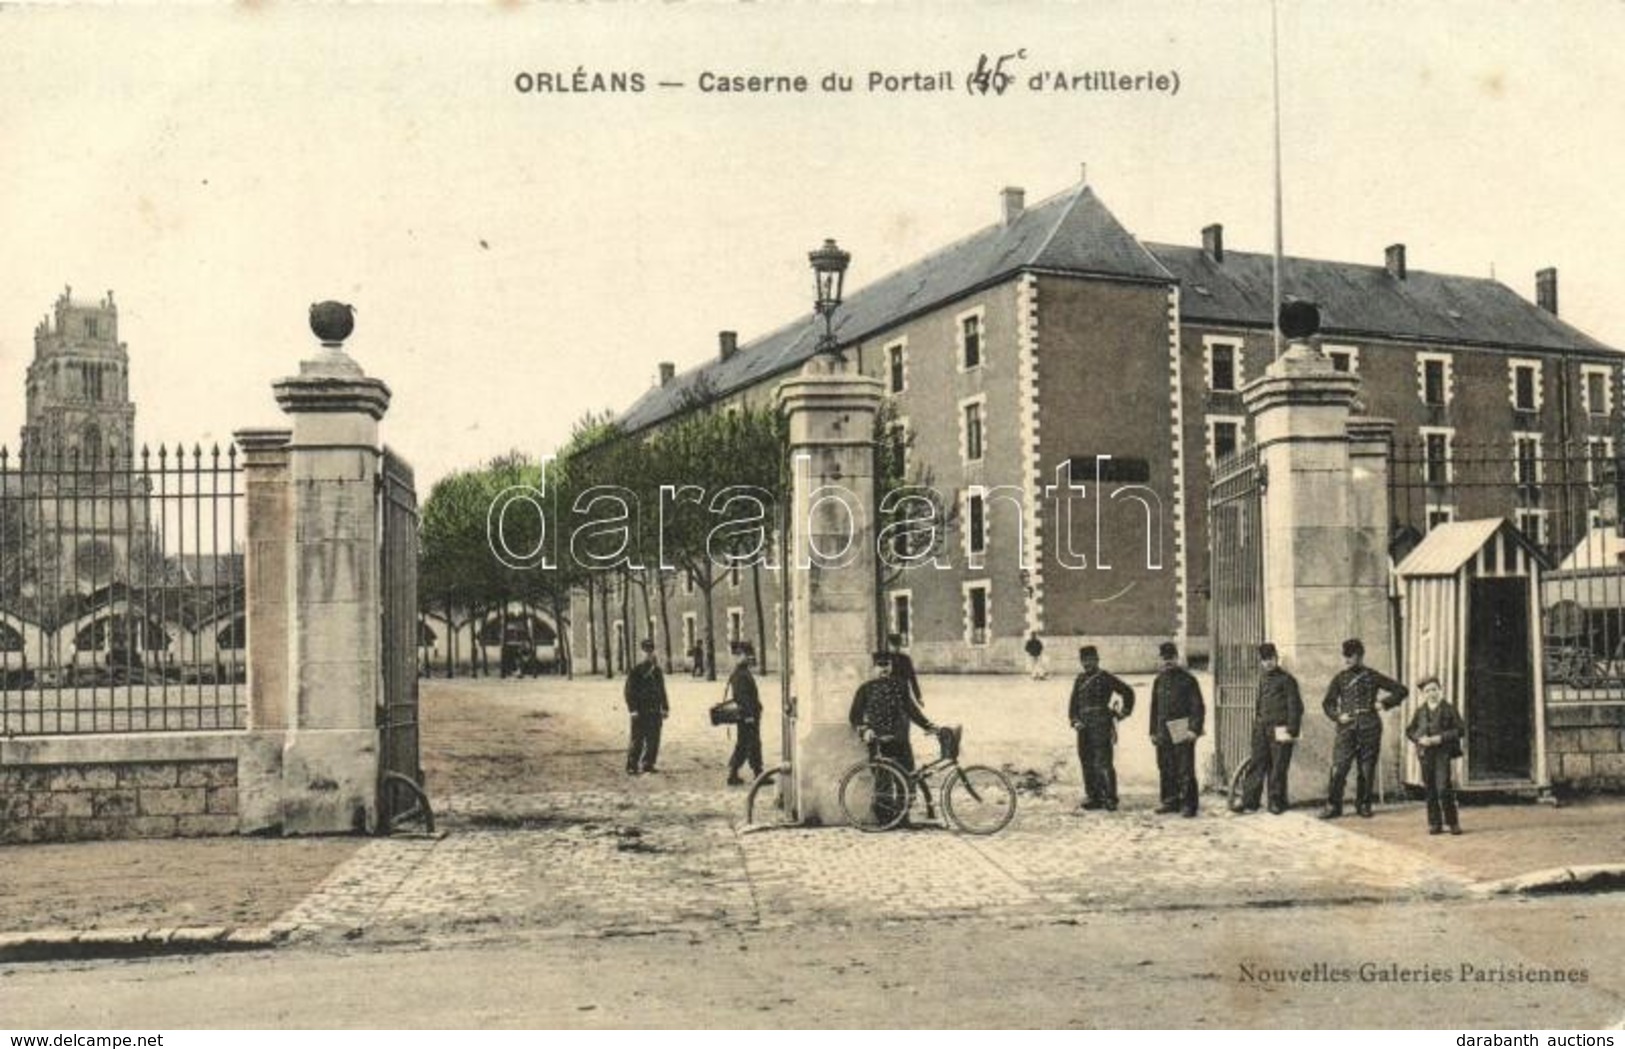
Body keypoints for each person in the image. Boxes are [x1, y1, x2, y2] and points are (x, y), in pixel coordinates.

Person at [1320, 638, 1408, 819]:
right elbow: (1328, 703)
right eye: (1345, 656)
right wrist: (1338, 716)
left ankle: (1364, 804)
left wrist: (1383, 703)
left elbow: (1401, 690)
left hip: (1370, 726)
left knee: (1366, 769)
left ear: (1360, 656)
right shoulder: (1340, 678)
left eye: (1350, 656)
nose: (1346, 660)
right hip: (1346, 728)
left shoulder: (1372, 675)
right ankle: (1333, 806)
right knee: (1339, 768)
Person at [1237, 642, 1303, 815]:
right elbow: (1259, 704)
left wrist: (1292, 729)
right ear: (1261, 661)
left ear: (1276, 658)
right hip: (1261, 729)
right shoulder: (1262, 678)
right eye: (1265, 660)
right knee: (1256, 764)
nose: (1268, 663)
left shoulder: (1287, 680)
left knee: (1278, 767)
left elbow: (1295, 706)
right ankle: (1249, 802)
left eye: (1271, 659)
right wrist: (1257, 724)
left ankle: (1276, 802)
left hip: (1280, 729)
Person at [849, 650, 937, 778]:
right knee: (882, 782)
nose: (884, 669)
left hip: (900, 739)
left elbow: (911, 710)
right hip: (878, 741)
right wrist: (865, 730)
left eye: (887, 665)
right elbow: (855, 716)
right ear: (873, 667)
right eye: (880, 665)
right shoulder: (865, 689)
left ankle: (907, 798)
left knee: (907, 776)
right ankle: (884, 799)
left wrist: (928, 725)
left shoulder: (901, 685)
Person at [1068, 644, 1134, 811]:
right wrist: (1075, 721)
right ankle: (1093, 796)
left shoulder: (1105, 677)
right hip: (1083, 727)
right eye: (1084, 661)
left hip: (1101, 725)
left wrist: (1123, 713)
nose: (1087, 664)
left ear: (1097, 660)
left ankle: (1110, 798)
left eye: (1090, 660)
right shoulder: (1080, 680)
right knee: (1086, 762)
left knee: (1104, 762)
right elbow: (1073, 705)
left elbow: (1128, 692)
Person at [1149, 641, 1205, 817]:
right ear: (1161, 659)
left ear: (1176, 657)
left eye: (1171, 658)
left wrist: (1193, 729)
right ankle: (1170, 801)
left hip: (1181, 726)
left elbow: (1198, 706)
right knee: (1165, 767)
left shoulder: (1188, 680)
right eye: (1165, 658)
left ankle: (1189, 804)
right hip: (1162, 729)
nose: (1168, 662)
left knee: (1184, 768)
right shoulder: (1158, 680)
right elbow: (1154, 708)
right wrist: (1152, 731)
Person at [1405, 676, 1463, 835]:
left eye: (1434, 689)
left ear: (1440, 690)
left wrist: (1440, 738)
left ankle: (1452, 822)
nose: (1431, 693)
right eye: (1427, 691)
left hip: (1442, 752)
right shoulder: (1420, 711)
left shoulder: (1449, 709)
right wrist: (1419, 739)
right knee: (1429, 788)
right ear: (1423, 694)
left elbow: (1460, 730)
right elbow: (1409, 730)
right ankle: (1434, 823)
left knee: (1443, 787)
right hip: (1425, 753)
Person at [624, 638, 669, 775]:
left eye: (650, 651)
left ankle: (648, 763)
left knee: (653, 739)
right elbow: (629, 692)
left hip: (654, 710)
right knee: (637, 739)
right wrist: (633, 710)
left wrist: (665, 707)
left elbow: (662, 690)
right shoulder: (636, 671)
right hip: (640, 710)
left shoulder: (657, 672)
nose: (649, 654)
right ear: (641, 653)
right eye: (646, 651)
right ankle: (632, 765)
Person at [724, 642, 763, 786]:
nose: (748, 657)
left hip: (749, 714)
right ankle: (734, 773)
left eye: (748, 655)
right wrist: (748, 715)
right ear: (739, 656)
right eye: (745, 655)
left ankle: (758, 773)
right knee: (745, 744)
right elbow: (742, 698)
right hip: (747, 716)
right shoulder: (740, 674)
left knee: (752, 744)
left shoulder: (742, 672)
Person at [887, 632, 924, 707]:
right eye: (893, 645)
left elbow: (912, 678)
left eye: (896, 645)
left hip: (901, 693)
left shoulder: (905, 659)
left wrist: (918, 697)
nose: (895, 648)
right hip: (891, 694)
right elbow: (912, 679)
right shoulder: (887, 658)